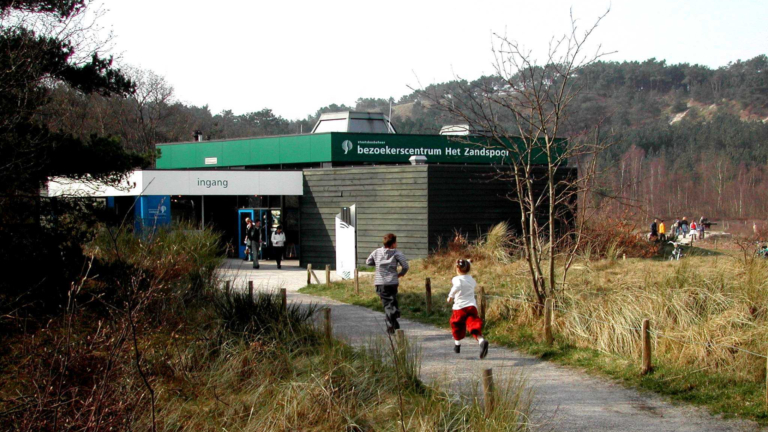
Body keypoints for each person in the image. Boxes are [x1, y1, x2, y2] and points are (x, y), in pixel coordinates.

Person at [366, 233, 409, 334]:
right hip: (393, 282)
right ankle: (394, 322)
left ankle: (391, 324)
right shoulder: (397, 254)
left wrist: (377, 263)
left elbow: (368, 262)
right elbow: (405, 266)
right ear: (393, 243)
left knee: (388, 304)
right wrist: (400, 274)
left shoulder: (376, 252)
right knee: (392, 300)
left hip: (380, 283)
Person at [447, 259, 489, 359]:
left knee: (456, 325)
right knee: (473, 324)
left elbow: (456, 286)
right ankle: (481, 340)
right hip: (471, 306)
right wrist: (469, 262)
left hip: (460, 307)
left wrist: (450, 296)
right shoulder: (471, 280)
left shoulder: (456, 279)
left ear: (457, 269)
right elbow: (466, 266)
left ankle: (457, 345)